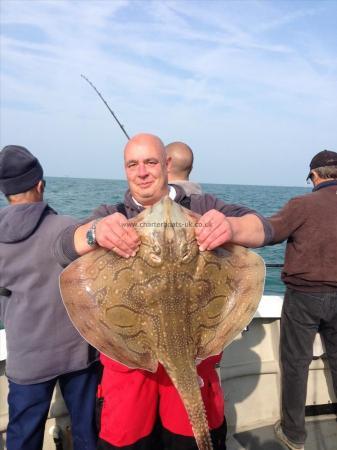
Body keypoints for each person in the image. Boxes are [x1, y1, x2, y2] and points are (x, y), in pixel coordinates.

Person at [56, 133, 273, 450]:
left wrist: (231, 227)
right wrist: (95, 232)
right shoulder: (112, 211)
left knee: (190, 440)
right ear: (125, 169)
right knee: (127, 439)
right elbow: (62, 247)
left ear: (167, 165)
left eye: (150, 162)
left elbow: (263, 228)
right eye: (133, 164)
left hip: (195, 352)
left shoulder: (202, 205)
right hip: (129, 360)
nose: (141, 172)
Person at [0, 145, 99, 450]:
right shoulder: (69, 228)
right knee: (88, 433)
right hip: (78, 354)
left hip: (27, 359)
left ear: (6, 192)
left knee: (22, 437)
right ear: (40, 184)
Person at [268, 150, 337, 450]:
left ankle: (294, 434)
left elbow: (269, 233)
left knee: (296, 364)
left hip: (304, 297)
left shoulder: (301, 205)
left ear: (314, 175)